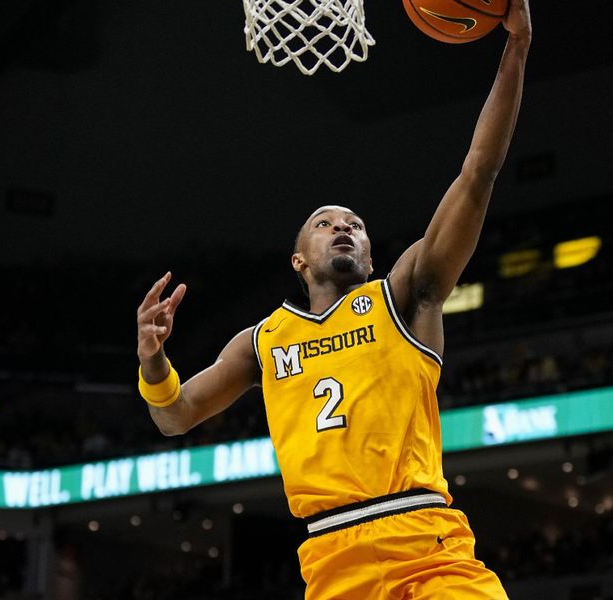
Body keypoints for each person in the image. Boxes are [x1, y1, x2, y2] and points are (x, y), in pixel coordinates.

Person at [136, 1, 531, 597]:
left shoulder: (405, 295)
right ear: (299, 260)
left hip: (427, 544)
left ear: (371, 257)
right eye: (325, 223)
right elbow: (175, 416)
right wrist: (153, 364)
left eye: (356, 224)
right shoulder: (263, 341)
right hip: (330, 559)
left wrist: (517, 46)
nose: (343, 227)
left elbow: (478, 171)